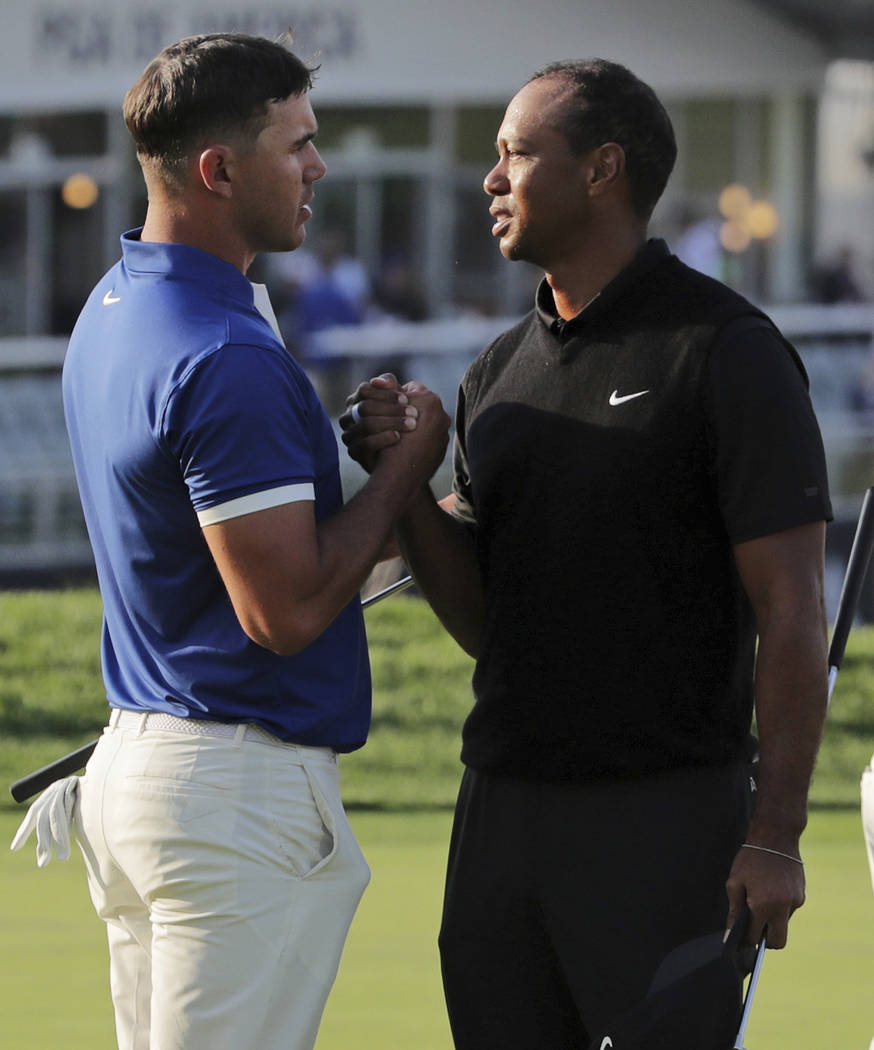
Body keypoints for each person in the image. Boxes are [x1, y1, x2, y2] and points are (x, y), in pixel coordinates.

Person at [341, 58, 832, 1049]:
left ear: (603, 168)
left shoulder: (725, 350)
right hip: (502, 815)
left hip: (667, 821)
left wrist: (774, 835)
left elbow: (791, 609)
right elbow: (488, 622)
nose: (490, 180)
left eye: (517, 155)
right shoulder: (498, 371)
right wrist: (405, 480)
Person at [43, 32, 448, 1050]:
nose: (318, 166)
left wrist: (409, 511)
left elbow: (249, 572)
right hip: (228, 790)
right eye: (296, 144)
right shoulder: (225, 353)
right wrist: (409, 465)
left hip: (146, 772)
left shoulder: (114, 306)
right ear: (219, 171)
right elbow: (284, 612)